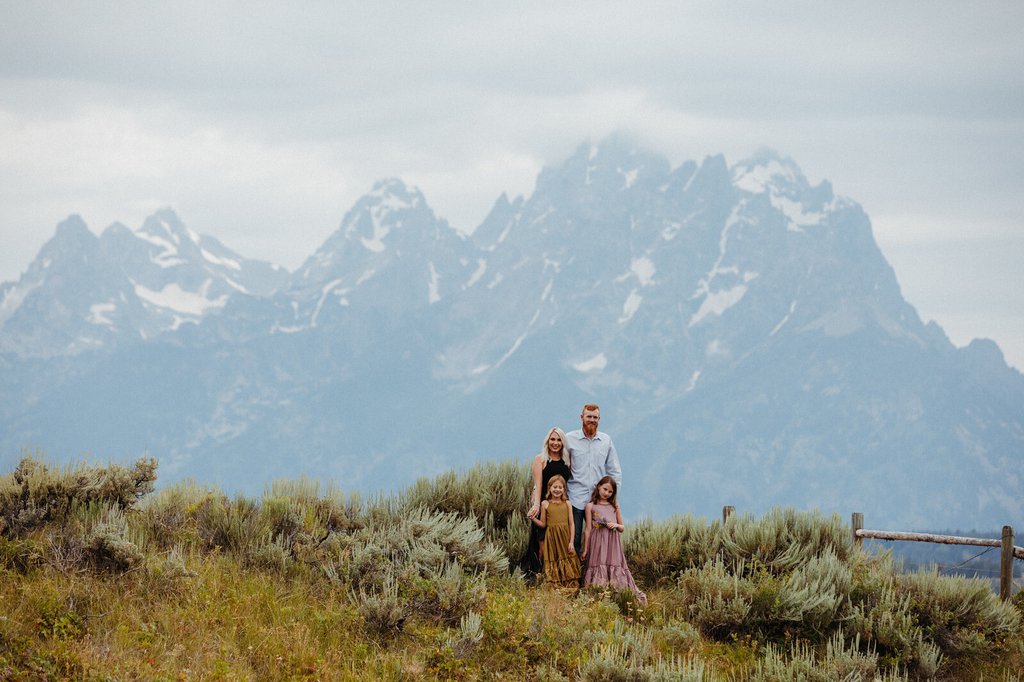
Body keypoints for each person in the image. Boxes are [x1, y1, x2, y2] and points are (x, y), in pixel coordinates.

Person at [581, 476, 646, 604]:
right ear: (598, 486)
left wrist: (615, 525)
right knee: (598, 565)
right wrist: (585, 549)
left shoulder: (614, 506)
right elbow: (588, 528)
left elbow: (622, 528)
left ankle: (618, 596)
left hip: (612, 542)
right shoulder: (590, 506)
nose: (607, 493)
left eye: (610, 492)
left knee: (614, 565)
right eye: (605, 489)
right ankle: (598, 595)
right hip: (597, 542)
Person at [566, 403, 621, 555]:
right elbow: (560, 464)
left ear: (599, 419)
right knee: (574, 539)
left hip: (598, 501)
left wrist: (613, 497)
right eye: (589, 416)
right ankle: (574, 576)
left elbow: (614, 470)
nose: (592, 420)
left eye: (595, 417)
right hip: (575, 498)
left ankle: (594, 575)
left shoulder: (606, 441)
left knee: (599, 540)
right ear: (581, 417)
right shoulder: (570, 439)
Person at [525, 427, 572, 578]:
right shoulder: (540, 460)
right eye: (552, 439)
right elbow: (538, 485)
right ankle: (540, 575)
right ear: (547, 441)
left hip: (560, 507)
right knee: (542, 544)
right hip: (545, 507)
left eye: (559, 440)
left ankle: (557, 576)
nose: (555, 443)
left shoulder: (567, 461)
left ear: (563, 442)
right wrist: (536, 505)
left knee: (559, 543)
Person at [531, 474, 581, 589]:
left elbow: (571, 523)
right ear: (549, 488)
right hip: (552, 538)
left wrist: (571, 542)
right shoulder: (545, 504)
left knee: (568, 558)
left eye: (560, 487)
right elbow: (543, 524)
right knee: (555, 559)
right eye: (555, 487)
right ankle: (556, 588)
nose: (557, 490)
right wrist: (533, 518)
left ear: (564, 489)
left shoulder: (567, 503)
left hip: (565, 537)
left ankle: (570, 587)